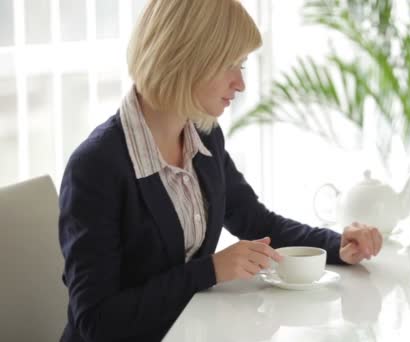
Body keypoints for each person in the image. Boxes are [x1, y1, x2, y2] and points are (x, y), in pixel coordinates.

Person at [58, 1, 383, 341]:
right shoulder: (95, 168)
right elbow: (98, 321)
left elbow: (257, 222)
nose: (240, 83)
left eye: (240, 65)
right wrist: (210, 271)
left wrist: (336, 245)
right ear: (184, 57)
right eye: (229, 64)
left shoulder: (204, 135)